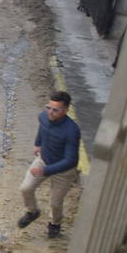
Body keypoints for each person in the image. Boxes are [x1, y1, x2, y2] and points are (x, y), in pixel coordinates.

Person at [18, 91, 80, 238]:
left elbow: (71, 160)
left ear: (66, 110)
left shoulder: (72, 130)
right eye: (49, 108)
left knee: (55, 202)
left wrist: (45, 170)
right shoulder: (44, 116)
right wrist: (37, 143)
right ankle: (32, 211)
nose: (50, 112)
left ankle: (55, 223)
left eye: (55, 110)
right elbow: (42, 128)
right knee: (25, 188)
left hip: (63, 171)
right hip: (44, 159)